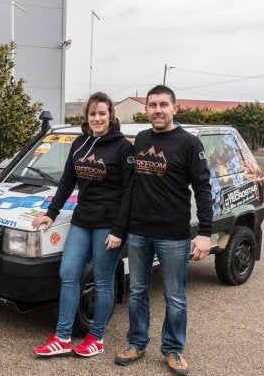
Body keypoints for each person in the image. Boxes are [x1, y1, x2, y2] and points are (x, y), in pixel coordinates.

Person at [114, 85, 213, 376]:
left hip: (173, 234)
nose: (157, 110)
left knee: (175, 295)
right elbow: (130, 184)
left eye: (163, 105)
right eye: (152, 105)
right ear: (146, 109)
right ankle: (136, 342)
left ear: (174, 108)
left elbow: (204, 190)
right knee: (138, 291)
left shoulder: (189, 144)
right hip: (139, 230)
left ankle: (173, 350)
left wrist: (205, 232)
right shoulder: (142, 138)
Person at [32, 92, 134, 358]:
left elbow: (129, 192)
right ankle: (62, 337)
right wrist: (51, 214)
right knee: (68, 274)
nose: (97, 118)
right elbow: (67, 182)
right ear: (86, 117)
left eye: (102, 113)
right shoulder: (79, 143)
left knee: (102, 281)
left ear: (111, 116)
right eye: (92, 113)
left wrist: (119, 229)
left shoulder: (123, 148)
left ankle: (96, 337)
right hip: (82, 220)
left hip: (108, 225)